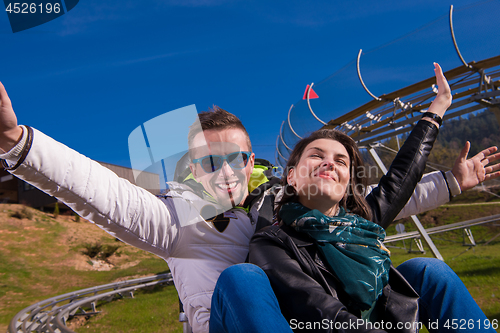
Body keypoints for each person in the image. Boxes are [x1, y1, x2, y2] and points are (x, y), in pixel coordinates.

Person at [0, 74, 499, 332]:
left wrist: (453, 182)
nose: (225, 170)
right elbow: (108, 196)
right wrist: (20, 145)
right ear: (192, 168)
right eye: (209, 160)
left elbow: (376, 204)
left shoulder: (280, 206)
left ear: (252, 161)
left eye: (236, 157)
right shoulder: (182, 218)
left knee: (425, 271)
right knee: (243, 278)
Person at [243, 64, 496, 332]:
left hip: (382, 319)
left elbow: (400, 178)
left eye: (341, 161)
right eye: (317, 155)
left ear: (347, 183)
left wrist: (438, 109)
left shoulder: (362, 224)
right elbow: (319, 309)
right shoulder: (272, 241)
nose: (329, 163)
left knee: (429, 270)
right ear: (291, 177)